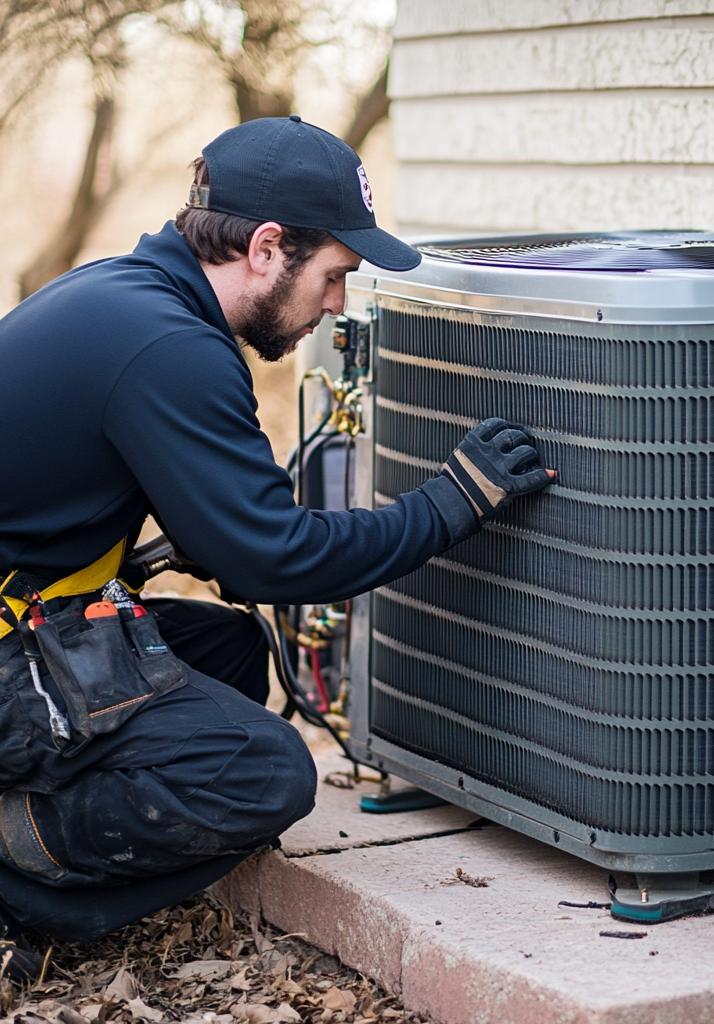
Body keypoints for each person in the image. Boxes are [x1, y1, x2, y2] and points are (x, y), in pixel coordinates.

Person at [0, 115, 554, 972]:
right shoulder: (169, 347)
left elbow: (206, 535)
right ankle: (17, 877)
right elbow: (276, 559)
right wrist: (455, 502)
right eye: (335, 275)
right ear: (266, 248)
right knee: (266, 776)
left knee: (222, 649)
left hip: (25, 617)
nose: (336, 305)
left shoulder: (122, 295)